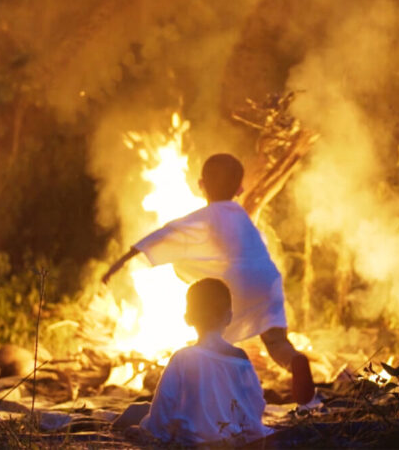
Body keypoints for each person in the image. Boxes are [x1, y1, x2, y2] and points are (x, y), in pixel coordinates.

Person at [103, 153, 315, 404]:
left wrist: (119, 263)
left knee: (211, 336)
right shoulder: (244, 219)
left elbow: (166, 234)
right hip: (268, 280)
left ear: (201, 185)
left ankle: (205, 390)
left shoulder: (204, 216)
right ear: (240, 189)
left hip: (235, 282)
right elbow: (258, 248)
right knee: (276, 341)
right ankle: (294, 361)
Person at [115, 278, 272, 446]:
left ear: (188, 318)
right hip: (235, 440)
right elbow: (255, 405)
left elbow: (163, 407)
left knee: (133, 413)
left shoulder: (183, 358)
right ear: (229, 317)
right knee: (141, 409)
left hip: (191, 442)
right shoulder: (241, 358)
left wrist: (148, 434)